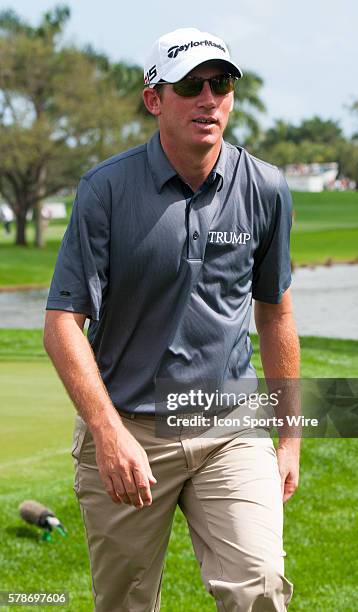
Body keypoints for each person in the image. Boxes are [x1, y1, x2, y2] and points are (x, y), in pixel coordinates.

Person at [44, 27, 300, 612]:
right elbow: (63, 322)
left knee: (260, 587)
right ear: (154, 98)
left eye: (221, 84)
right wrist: (107, 434)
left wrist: (289, 435)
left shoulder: (265, 187)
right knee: (124, 603)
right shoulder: (105, 191)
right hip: (131, 430)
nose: (209, 99)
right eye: (190, 86)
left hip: (231, 429)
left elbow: (276, 311)